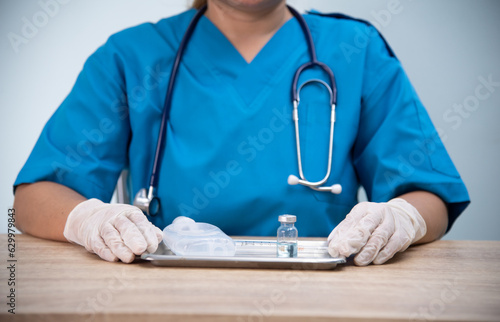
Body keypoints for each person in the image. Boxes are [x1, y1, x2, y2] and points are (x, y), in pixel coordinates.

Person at [13, 0, 470, 266]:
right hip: (163, 298)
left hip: (324, 297)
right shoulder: (131, 55)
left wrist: (401, 220)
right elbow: (35, 199)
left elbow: (429, 193)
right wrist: (88, 219)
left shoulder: (356, 50)